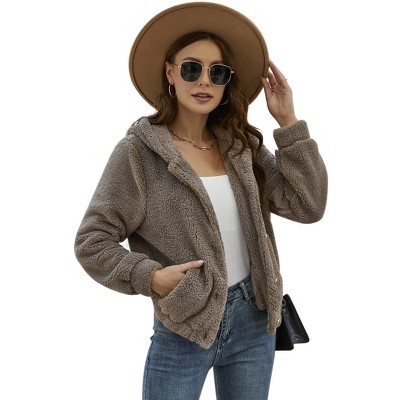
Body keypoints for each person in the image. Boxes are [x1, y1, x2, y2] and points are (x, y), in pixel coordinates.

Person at [74, 2, 328, 399]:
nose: (204, 81)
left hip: (254, 320)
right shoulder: (138, 153)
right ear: (170, 72)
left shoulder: (241, 146)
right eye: (191, 68)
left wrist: (288, 123)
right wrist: (151, 277)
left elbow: (308, 205)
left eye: (217, 72)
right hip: (184, 324)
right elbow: (92, 240)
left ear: (227, 82)